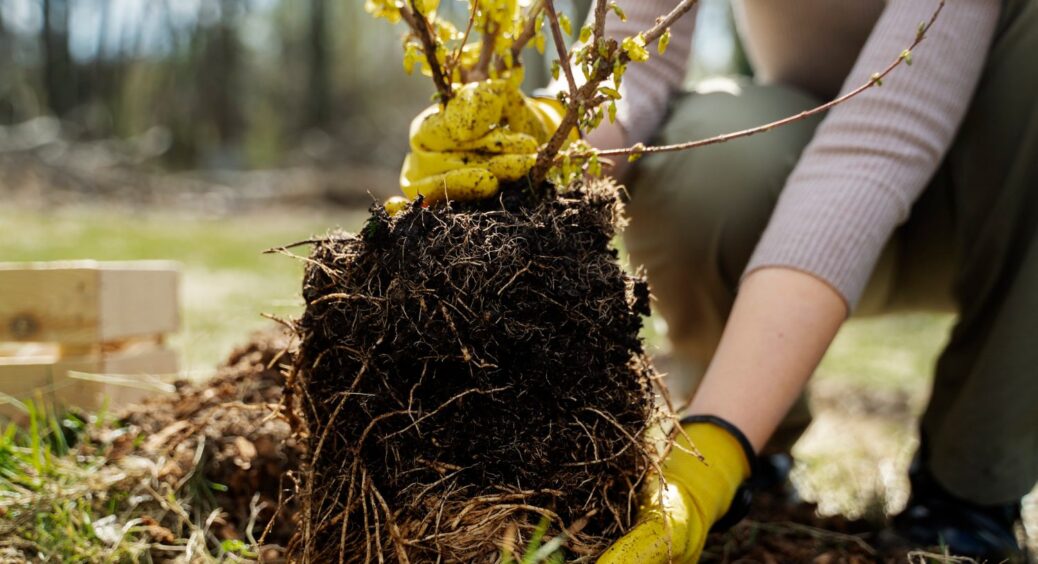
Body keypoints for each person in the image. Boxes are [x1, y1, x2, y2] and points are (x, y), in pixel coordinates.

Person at [400, 0, 1036, 561]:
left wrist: (710, 457)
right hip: (812, 154)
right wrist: (546, 135)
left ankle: (971, 486)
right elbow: (634, 61)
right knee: (703, 157)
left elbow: (875, 150)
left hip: (1003, 204)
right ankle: (760, 446)